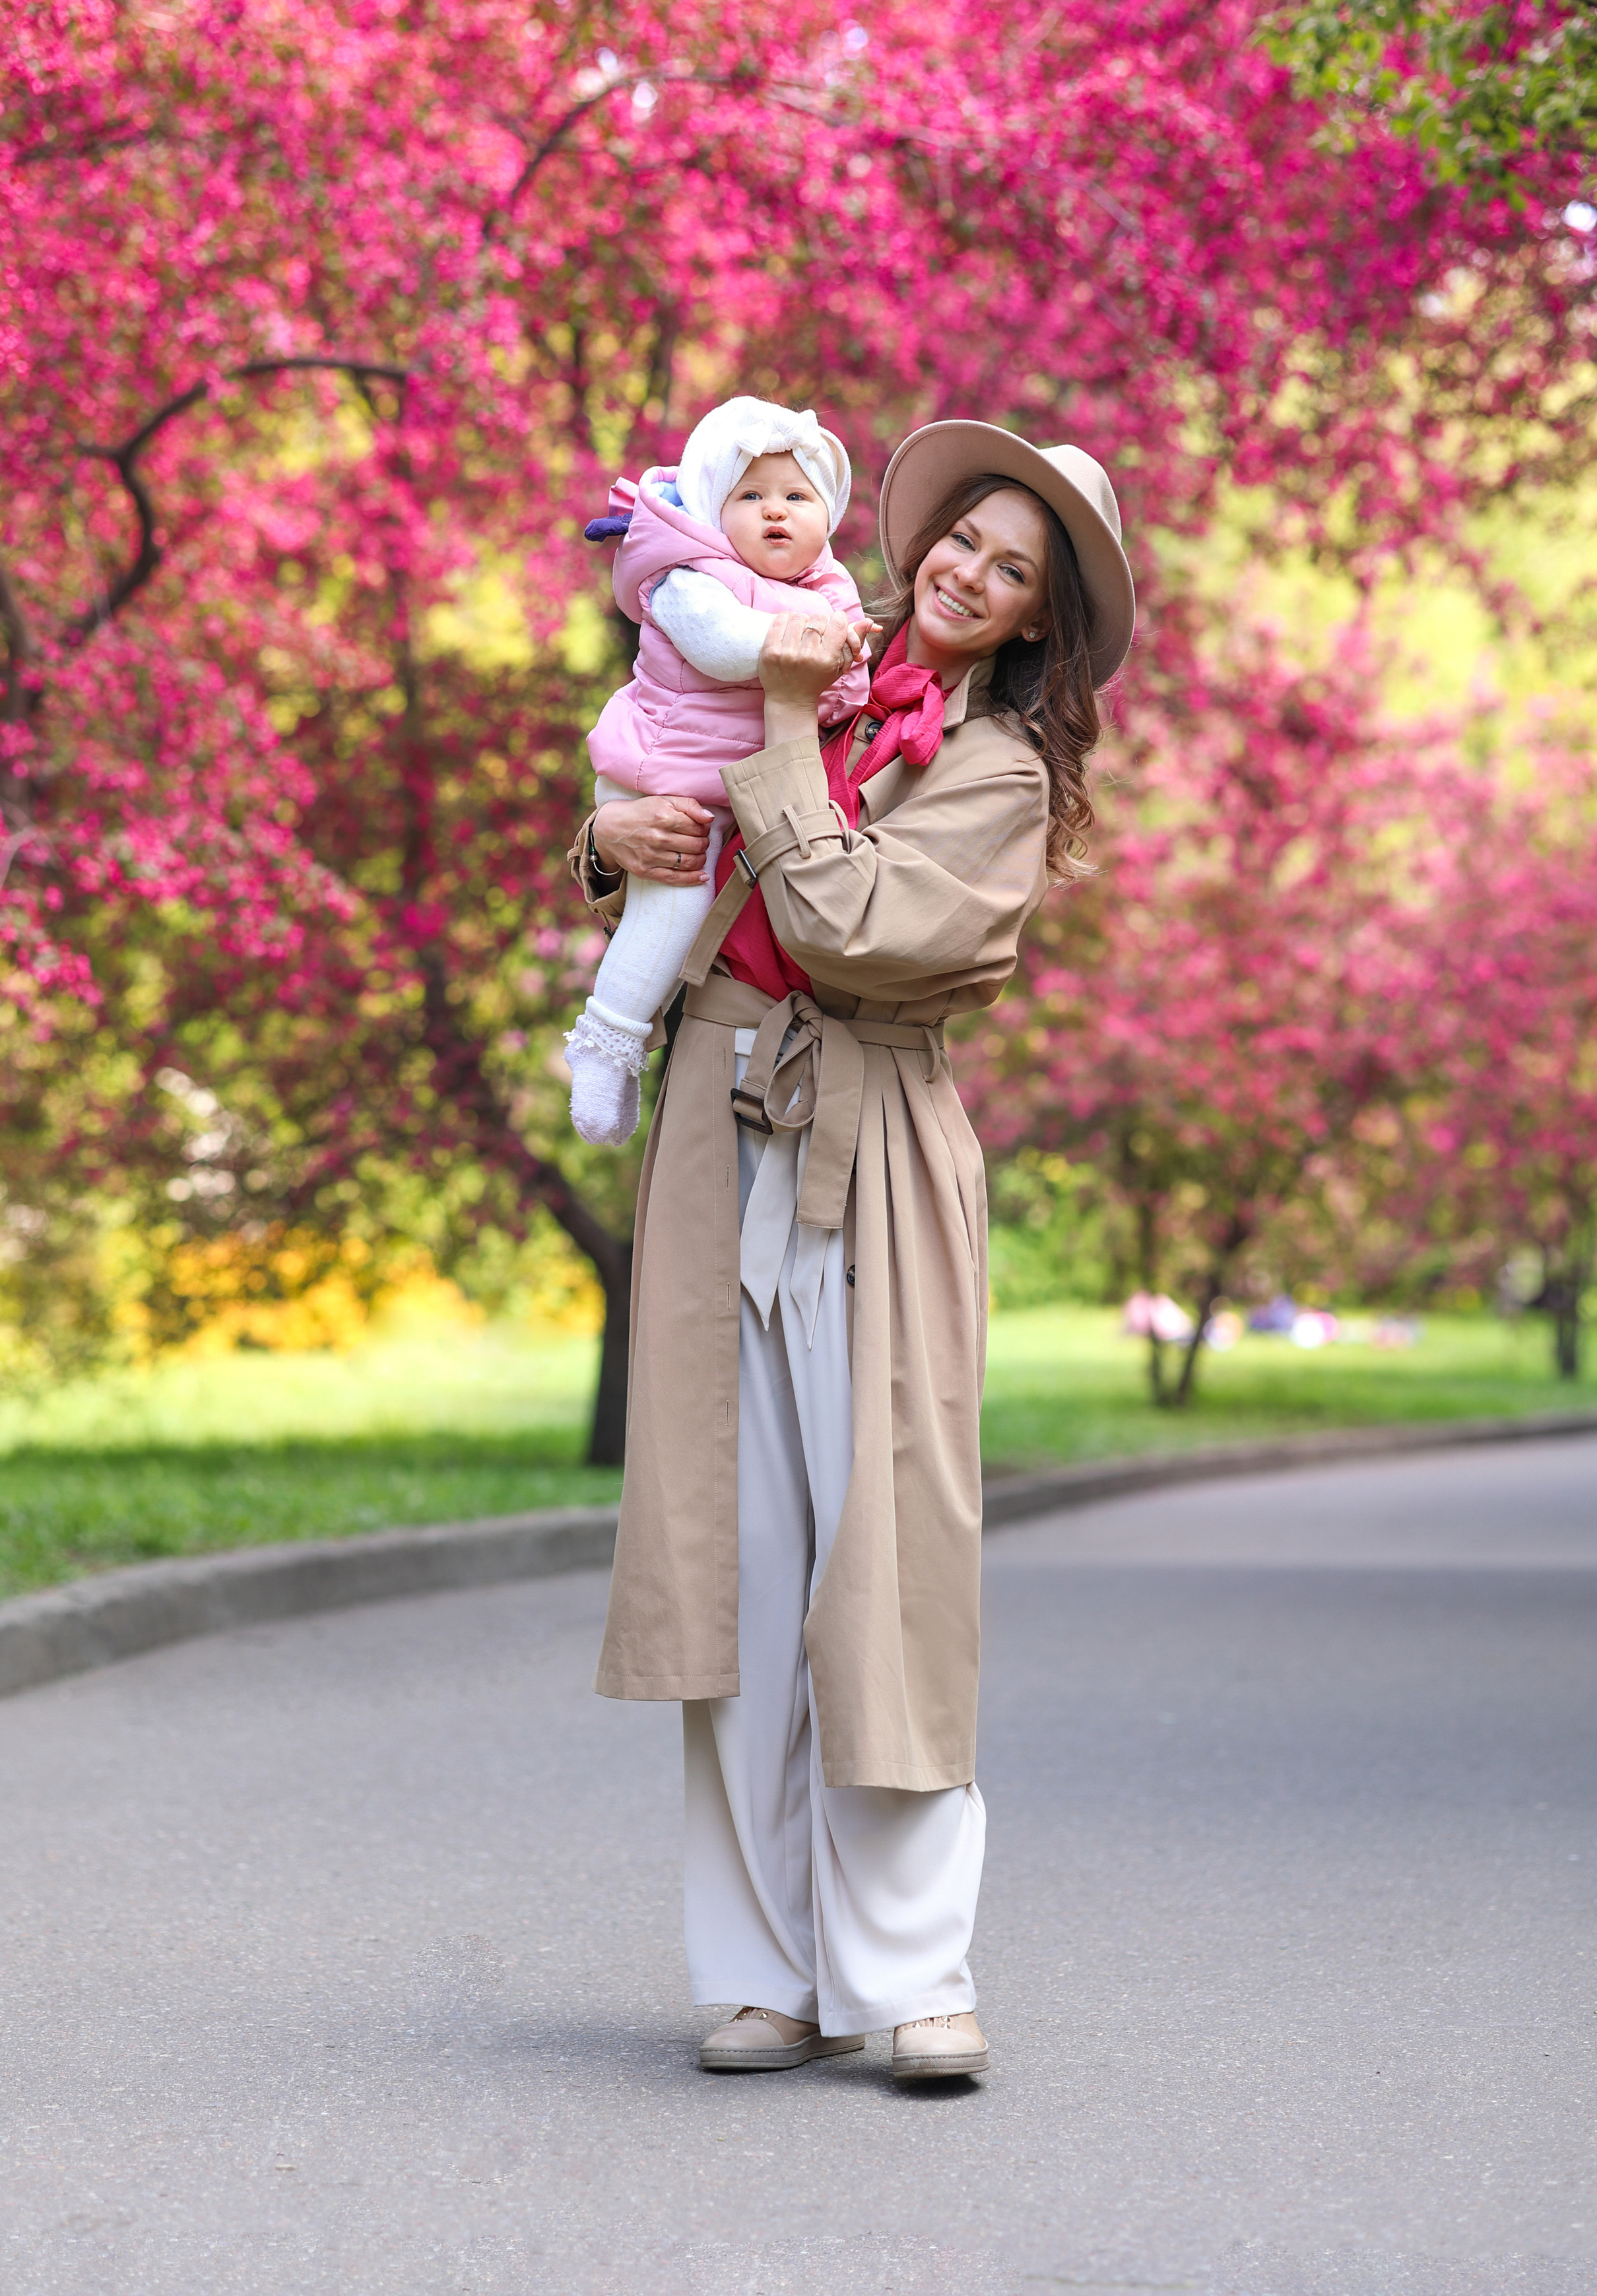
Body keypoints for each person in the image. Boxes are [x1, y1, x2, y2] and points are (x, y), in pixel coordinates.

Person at [570, 420, 1134, 2082]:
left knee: (879, 1561)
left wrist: (765, 727)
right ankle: (757, 1968)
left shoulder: (998, 770)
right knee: (729, 1557)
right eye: (958, 536)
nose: (961, 571)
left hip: (872, 1144)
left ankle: (908, 1974)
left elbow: (848, 923)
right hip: (708, 1125)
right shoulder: (795, 628)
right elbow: (662, 796)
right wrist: (604, 843)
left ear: (1036, 619)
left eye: (1007, 569)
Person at [565, 396, 870, 1146]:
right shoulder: (690, 573)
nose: (776, 513)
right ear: (712, 506)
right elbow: (724, 646)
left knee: (690, 926)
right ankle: (607, 1046)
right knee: (670, 914)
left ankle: (632, 1035)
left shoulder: (829, 593)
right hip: (661, 777)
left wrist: (830, 652)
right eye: (751, 496)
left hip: (726, 793)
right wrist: (808, 645)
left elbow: (849, 693)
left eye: (797, 497)